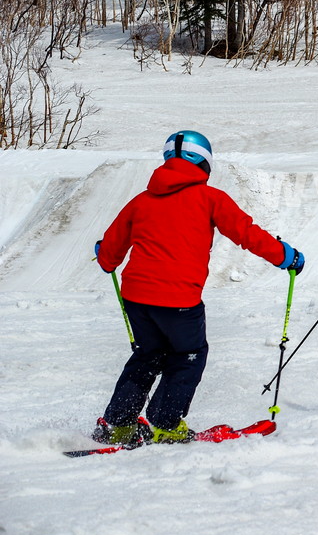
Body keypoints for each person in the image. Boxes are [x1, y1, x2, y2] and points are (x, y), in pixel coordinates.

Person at [90, 130, 305, 446]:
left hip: (136, 298)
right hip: (179, 300)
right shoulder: (210, 199)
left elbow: (108, 254)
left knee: (147, 355)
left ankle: (119, 424)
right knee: (188, 354)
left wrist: (104, 256)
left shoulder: (140, 202)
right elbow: (247, 233)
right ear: (204, 163)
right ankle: (164, 422)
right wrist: (286, 256)